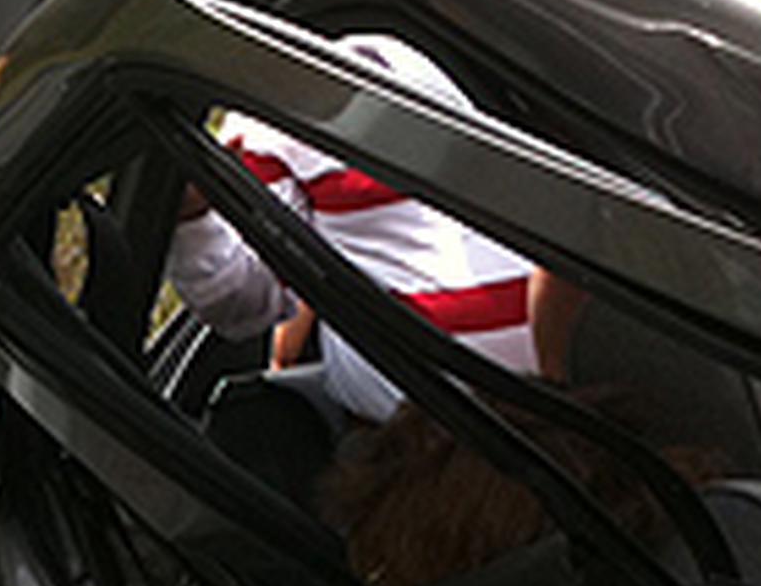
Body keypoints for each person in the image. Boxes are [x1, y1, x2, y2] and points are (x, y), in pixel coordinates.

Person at [164, 33, 540, 423]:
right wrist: (192, 219)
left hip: (565, 411)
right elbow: (243, 303)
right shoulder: (270, 120)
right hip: (418, 436)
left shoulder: (503, 49)